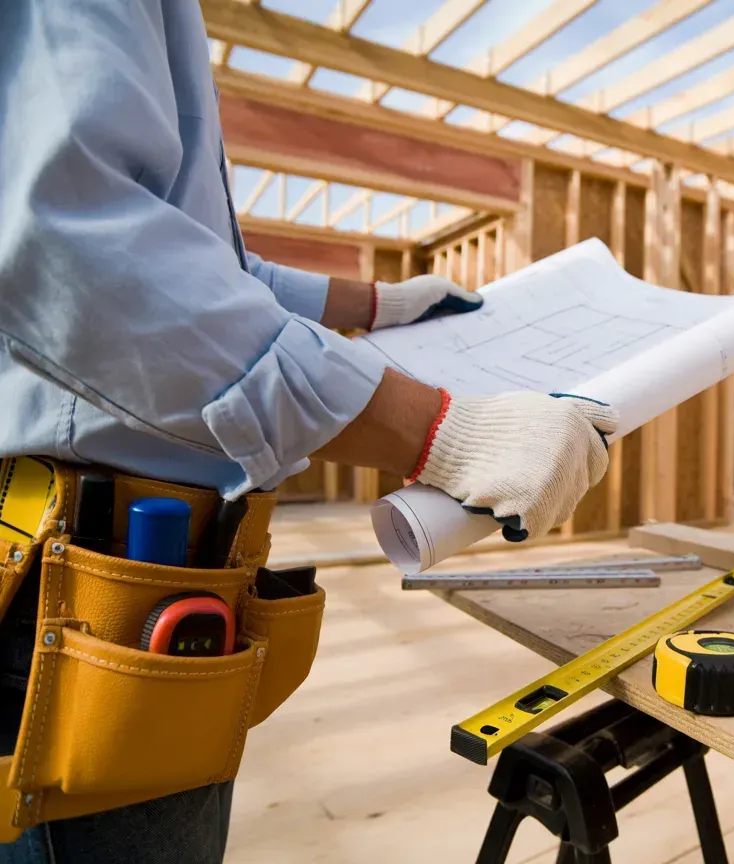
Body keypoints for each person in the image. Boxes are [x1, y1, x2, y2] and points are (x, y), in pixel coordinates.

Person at [0, 1, 617, 861]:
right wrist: (437, 429)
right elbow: (67, 237)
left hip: (133, 569)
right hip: (79, 588)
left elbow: (209, 268)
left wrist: (375, 303)